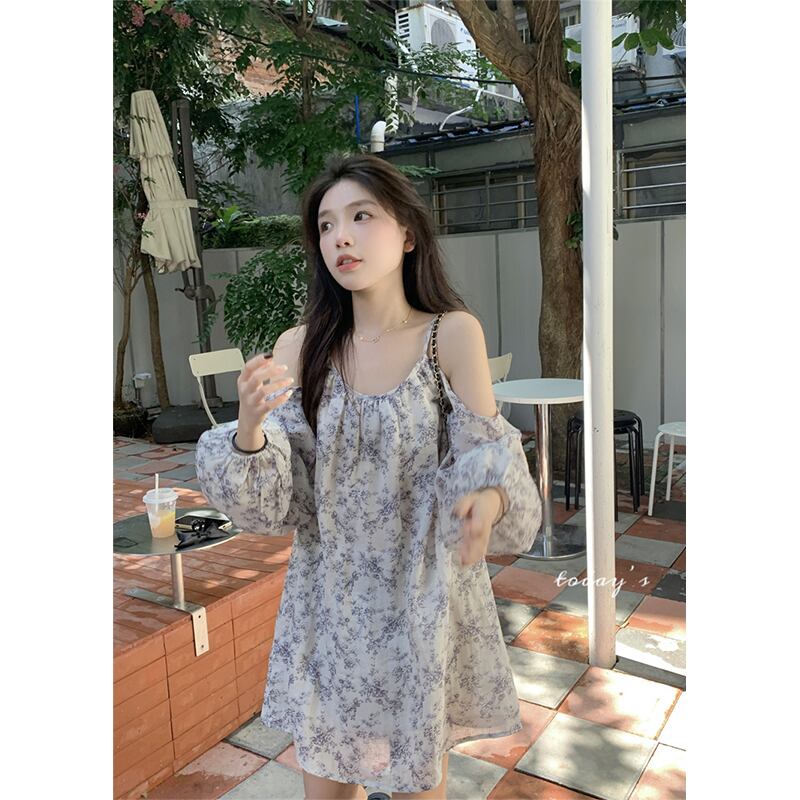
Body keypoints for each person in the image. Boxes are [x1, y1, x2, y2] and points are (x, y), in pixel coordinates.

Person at [196, 153, 543, 800]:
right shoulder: (300, 347)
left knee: (417, 785)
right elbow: (280, 503)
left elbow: (489, 457)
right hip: (331, 607)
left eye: (361, 217)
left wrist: (488, 503)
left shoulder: (450, 336)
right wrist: (248, 431)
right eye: (326, 225)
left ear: (407, 233)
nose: (341, 237)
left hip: (422, 601)